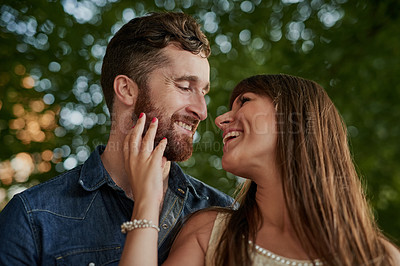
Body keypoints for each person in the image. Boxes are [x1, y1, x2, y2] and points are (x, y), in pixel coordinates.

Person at [0, 12, 234, 265]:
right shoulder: (34, 217)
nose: (202, 111)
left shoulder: (226, 216)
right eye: (185, 87)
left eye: (203, 92)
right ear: (126, 90)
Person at [119, 74, 400, 265]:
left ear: (293, 118)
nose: (219, 119)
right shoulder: (210, 235)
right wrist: (146, 202)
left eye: (245, 101)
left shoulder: (380, 258)